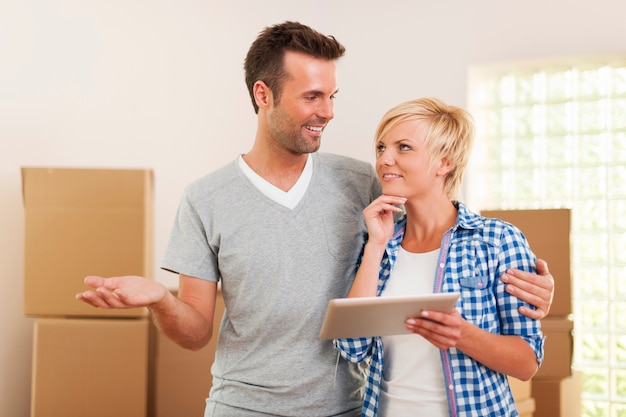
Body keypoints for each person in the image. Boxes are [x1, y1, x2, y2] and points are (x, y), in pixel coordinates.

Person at [76, 22, 553, 417]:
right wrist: (161, 298)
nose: (326, 112)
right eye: (311, 97)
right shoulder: (206, 199)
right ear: (263, 94)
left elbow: (443, 222)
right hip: (243, 406)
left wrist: (533, 288)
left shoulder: (363, 183)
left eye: (332, 96)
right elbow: (196, 332)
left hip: (345, 407)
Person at [335, 97, 544, 417]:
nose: (384, 159)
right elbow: (352, 348)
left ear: (444, 162)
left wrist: (463, 335)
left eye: (403, 147)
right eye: (380, 147)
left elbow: (527, 362)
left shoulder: (496, 240)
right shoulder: (379, 245)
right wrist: (376, 245)